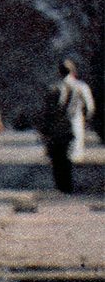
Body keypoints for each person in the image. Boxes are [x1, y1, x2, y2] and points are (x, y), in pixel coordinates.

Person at [40, 60, 95, 194]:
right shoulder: (81, 86)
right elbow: (89, 108)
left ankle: (61, 184)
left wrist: (45, 127)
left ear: (59, 72)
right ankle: (68, 184)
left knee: (57, 157)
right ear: (73, 72)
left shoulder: (53, 87)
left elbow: (46, 110)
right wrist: (84, 120)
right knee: (69, 156)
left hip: (55, 128)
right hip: (73, 126)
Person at [59, 60, 95, 162]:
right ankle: (76, 159)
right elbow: (90, 106)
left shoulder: (57, 86)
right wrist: (88, 117)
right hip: (76, 115)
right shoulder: (81, 86)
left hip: (60, 118)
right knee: (77, 138)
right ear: (73, 71)